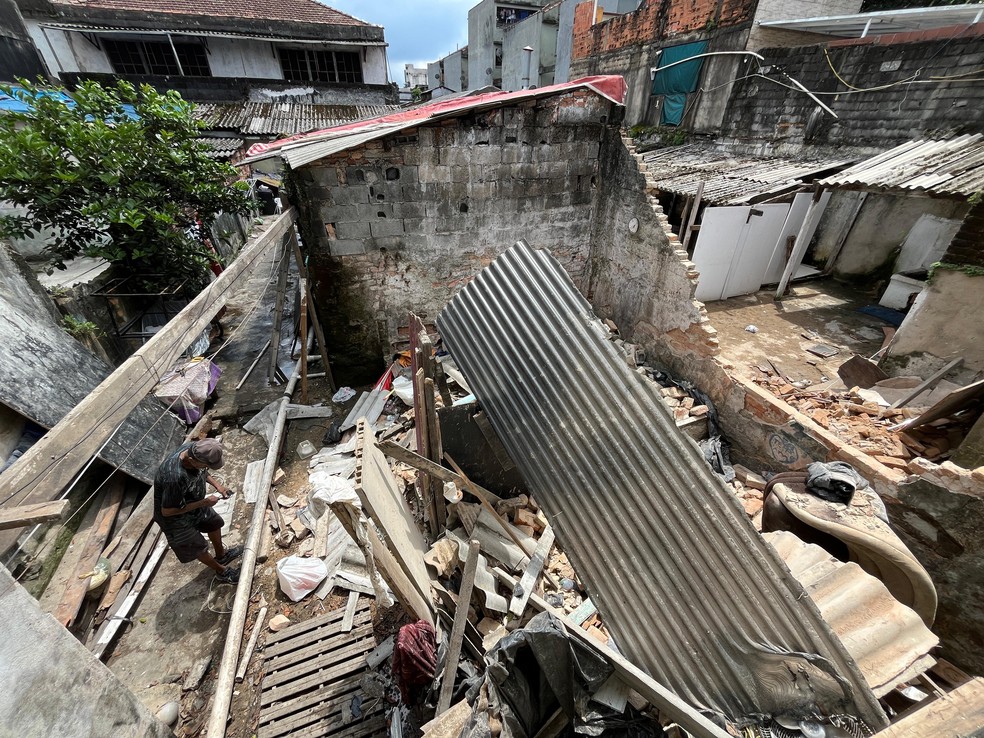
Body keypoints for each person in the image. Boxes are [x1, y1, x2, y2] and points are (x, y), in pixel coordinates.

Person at [154, 438, 242, 583]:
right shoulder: (174, 477)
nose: (205, 468)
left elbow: (203, 472)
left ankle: (222, 555)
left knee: (214, 523)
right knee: (197, 546)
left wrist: (218, 486)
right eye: (205, 465)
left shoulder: (194, 449)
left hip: (193, 502)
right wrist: (204, 502)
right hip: (174, 517)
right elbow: (167, 511)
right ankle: (222, 571)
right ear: (192, 460)